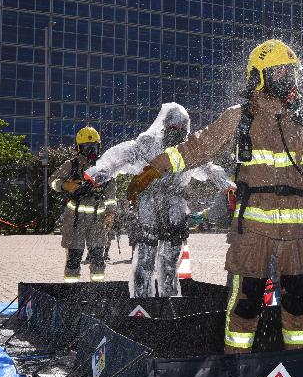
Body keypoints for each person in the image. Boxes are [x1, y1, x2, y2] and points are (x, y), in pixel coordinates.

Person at [123, 39, 303, 353]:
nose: (288, 79)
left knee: (296, 301)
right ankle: (237, 366)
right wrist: (155, 168)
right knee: (246, 302)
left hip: (298, 236)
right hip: (253, 233)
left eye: (291, 72)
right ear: (259, 77)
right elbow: (198, 146)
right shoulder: (240, 118)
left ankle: (301, 363)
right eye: (279, 72)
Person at [88, 103, 234, 297]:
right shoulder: (149, 144)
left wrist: (226, 184)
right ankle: (142, 304)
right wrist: (101, 171)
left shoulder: (187, 149)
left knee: (169, 265)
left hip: (175, 207)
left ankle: (169, 302)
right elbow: (120, 155)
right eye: (173, 127)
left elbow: (208, 167)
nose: (177, 132)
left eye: (181, 128)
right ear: (164, 125)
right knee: (144, 262)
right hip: (149, 204)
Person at [49, 126, 117, 282]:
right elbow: (52, 180)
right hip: (75, 220)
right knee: (73, 258)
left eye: (94, 146)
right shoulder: (71, 165)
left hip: (97, 221)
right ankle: (72, 291)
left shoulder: (104, 167)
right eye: (87, 147)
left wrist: (111, 213)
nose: (91, 150)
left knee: (98, 259)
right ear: (79, 148)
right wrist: (65, 185)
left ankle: (96, 292)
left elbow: (111, 193)